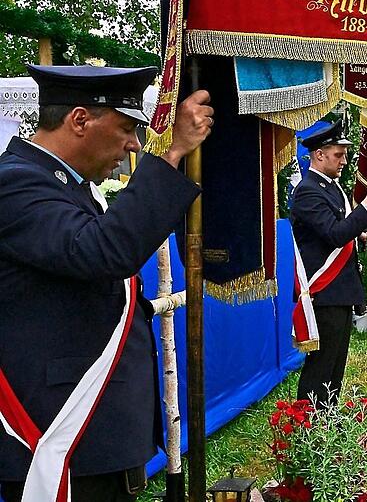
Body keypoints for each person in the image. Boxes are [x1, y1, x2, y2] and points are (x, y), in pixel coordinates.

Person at [0, 65, 213, 501]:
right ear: (80, 120)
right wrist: (171, 155)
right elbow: (102, 252)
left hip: (94, 438)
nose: (134, 144)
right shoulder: (15, 182)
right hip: (61, 434)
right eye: (126, 128)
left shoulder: (64, 188)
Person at [290, 120, 367, 406]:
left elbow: (340, 230)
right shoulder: (308, 191)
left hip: (341, 291)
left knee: (335, 369)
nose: (344, 160)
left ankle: (327, 422)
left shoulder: (331, 187)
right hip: (325, 291)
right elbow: (334, 235)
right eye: (338, 154)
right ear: (319, 154)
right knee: (320, 367)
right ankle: (309, 426)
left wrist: (360, 233)